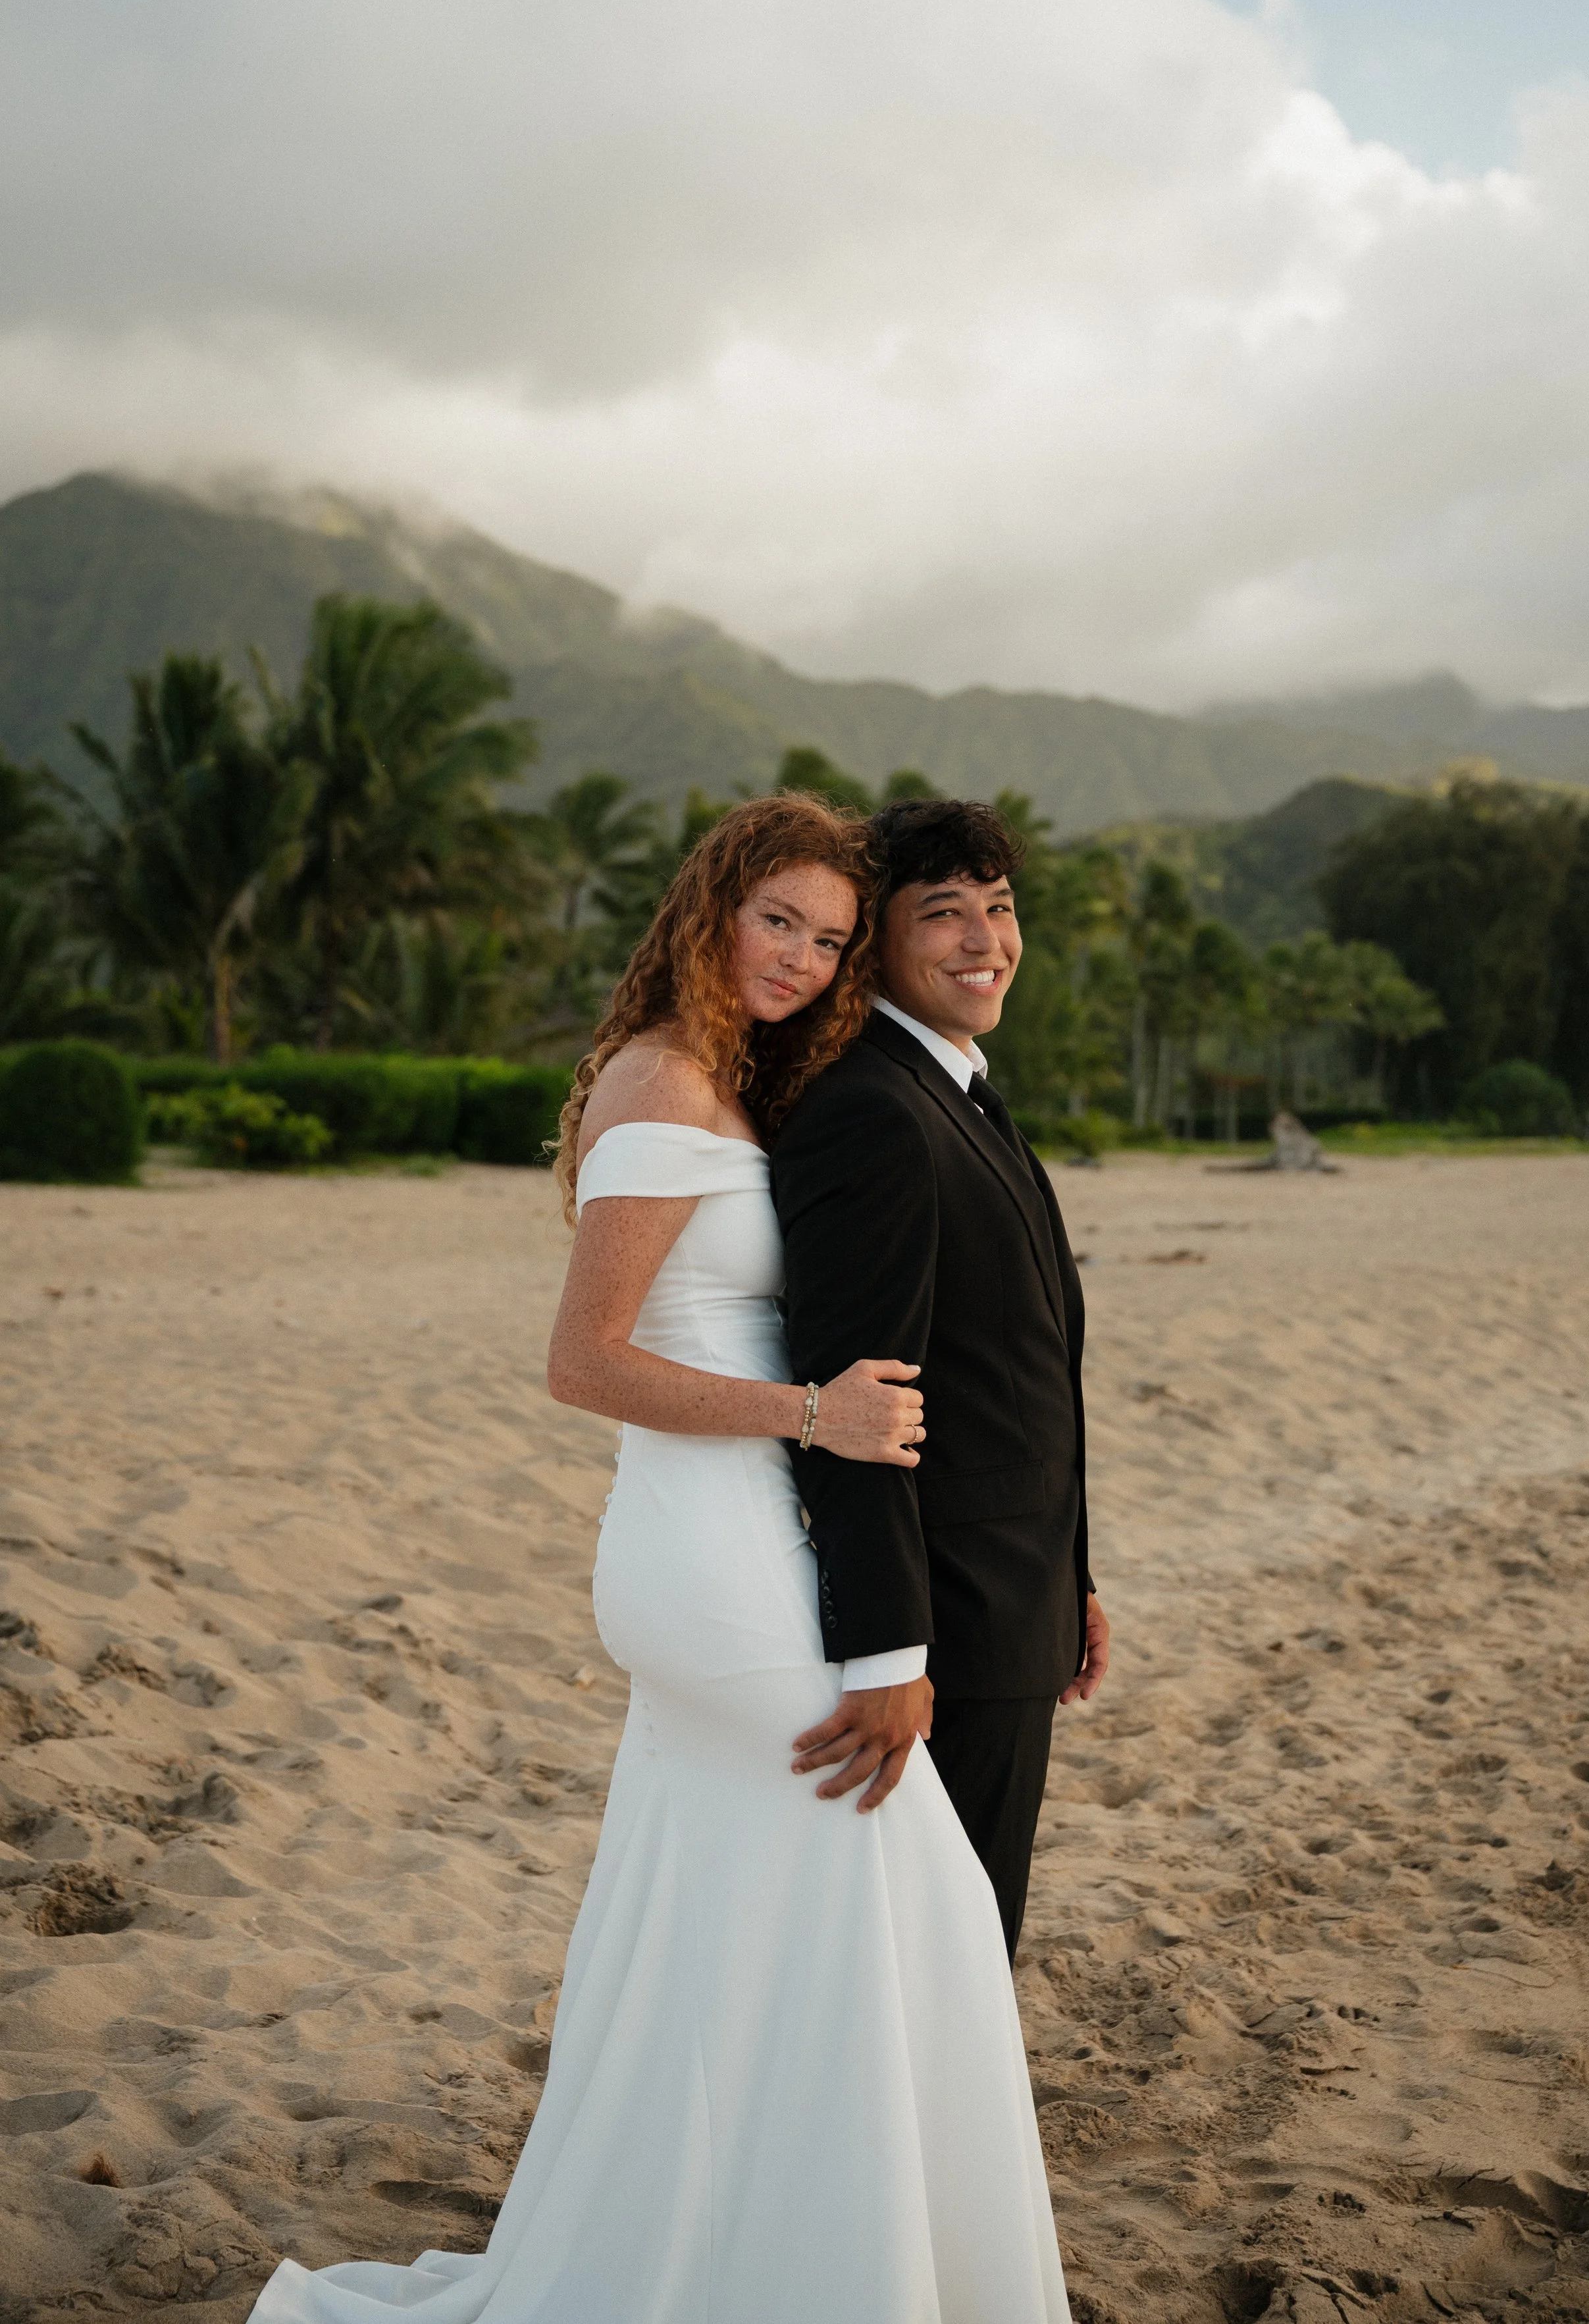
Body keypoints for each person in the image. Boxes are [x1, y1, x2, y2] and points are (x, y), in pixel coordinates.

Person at [248, 793, 1072, 2324]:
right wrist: (808, 1413)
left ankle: (739, 2243)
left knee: (750, 1908)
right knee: (903, 1889)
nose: (802, 959)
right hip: (705, 1548)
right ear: (711, 911)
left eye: (828, 939)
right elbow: (581, 1361)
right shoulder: (658, 1079)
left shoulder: (743, 1079)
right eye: (779, 923)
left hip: (753, 1527)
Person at [771, 796, 1109, 1963]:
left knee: (968, 1946)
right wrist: (888, 1655)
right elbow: (853, 1404)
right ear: (874, 940)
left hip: (1014, 1602)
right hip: (945, 1636)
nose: (985, 941)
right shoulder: (870, 1111)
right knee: (941, 1959)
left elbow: (1015, 1377)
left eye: (1001, 909)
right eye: (945, 914)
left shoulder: (955, 1086)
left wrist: (1072, 1579)